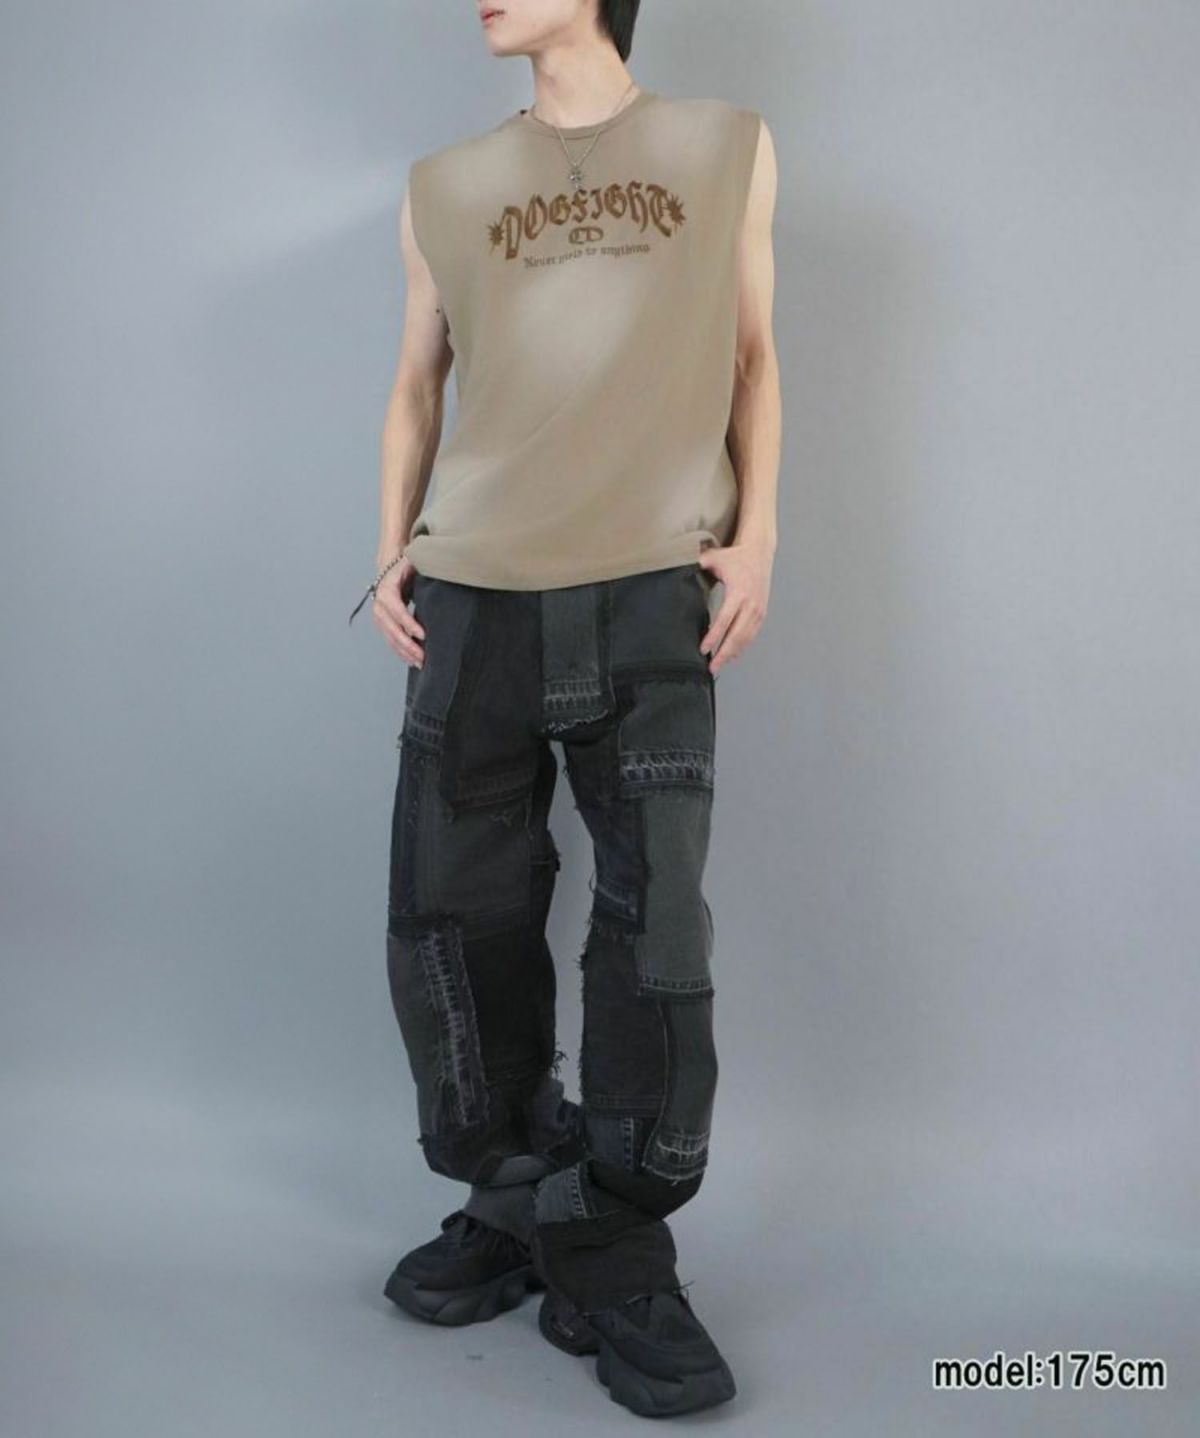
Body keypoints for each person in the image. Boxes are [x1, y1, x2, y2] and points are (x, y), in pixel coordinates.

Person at [349, 0, 778, 1417]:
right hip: (473, 599)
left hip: (652, 595)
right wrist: (389, 546)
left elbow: (752, 355)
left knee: (655, 932)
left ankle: (618, 1230)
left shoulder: (723, 146)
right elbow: (416, 385)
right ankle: (522, 1188)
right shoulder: (444, 184)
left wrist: (760, 537)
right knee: (453, 916)